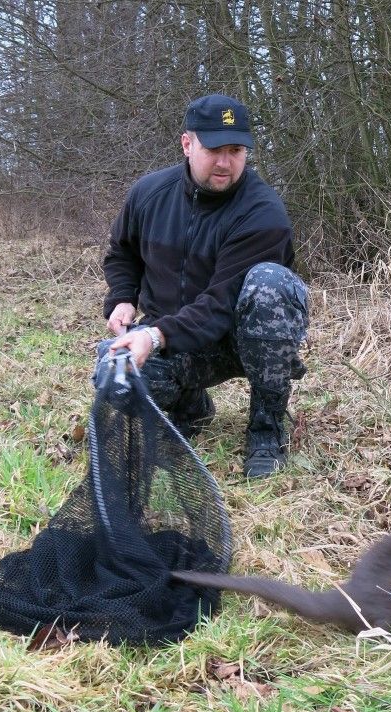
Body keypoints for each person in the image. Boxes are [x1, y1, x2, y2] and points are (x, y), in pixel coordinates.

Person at [99, 94, 309, 478]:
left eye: (236, 150)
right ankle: (190, 404)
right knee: (112, 370)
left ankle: (267, 429)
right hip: (179, 339)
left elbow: (220, 303)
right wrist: (123, 298)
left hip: (242, 341)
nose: (226, 162)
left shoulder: (262, 212)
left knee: (269, 284)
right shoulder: (149, 194)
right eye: (214, 149)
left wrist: (156, 336)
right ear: (187, 144)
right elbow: (121, 253)